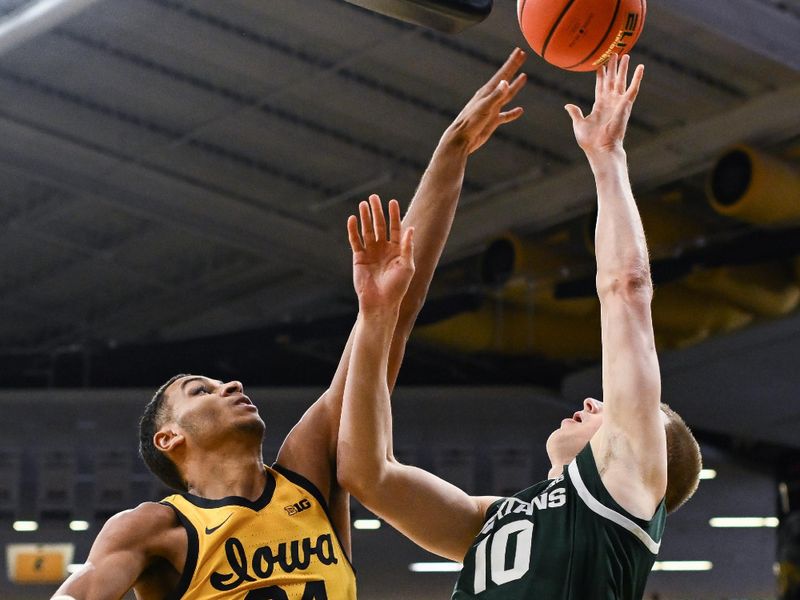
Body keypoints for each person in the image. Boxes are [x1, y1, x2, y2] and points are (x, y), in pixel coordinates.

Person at [50, 49, 529, 600]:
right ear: (169, 437)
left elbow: (391, 320)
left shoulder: (307, 473)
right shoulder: (154, 529)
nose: (230, 385)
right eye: (199, 390)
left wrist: (452, 151)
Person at [338, 54, 702, 599]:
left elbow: (626, 290)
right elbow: (369, 475)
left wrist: (608, 159)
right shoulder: (498, 519)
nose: (599, 403)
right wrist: (374, 318)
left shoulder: (627, 485)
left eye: (625, 412)